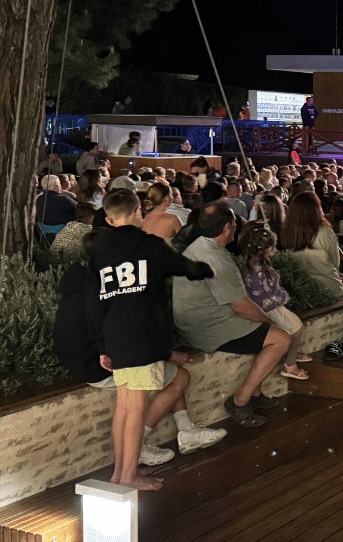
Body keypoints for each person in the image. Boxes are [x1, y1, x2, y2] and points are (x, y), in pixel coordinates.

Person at [53, 232, 226, 469]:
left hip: (80, 360)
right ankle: (137, 448)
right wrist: (168, 353)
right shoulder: (110, 285)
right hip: (101, 363)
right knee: (178, 379)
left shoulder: (81, 281)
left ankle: (185, 429)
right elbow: (128, 331)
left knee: (164, 374)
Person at [92, 189, 216, 490]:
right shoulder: (150, 245)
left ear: (109, 219)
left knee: (124, 407)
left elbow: (93, 301)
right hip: (143, 337)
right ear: (139, 212)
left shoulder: (99, 251)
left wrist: (102, 345)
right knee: (135, 409)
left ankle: (119, 474)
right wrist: (205, 270)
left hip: (116, 337)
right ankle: (128, 477)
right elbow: (183, 266)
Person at [173, 202, 291, 428]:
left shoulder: (199, 245)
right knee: (281, 339)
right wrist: (270, 322)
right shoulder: (215, 259)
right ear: (227, 227)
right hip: (207, 328)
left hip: (194, 321)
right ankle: (240, 401)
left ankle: (256, 394)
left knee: (264, 334)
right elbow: (242, 307)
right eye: (235, 223)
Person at [241, 225, 312, 381]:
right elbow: (271, 294)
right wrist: (284, 297)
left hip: (264, 307)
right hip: (271, 308)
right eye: (274, 246)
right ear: (268, 249)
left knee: (289, 330)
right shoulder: (262, 271)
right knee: (297, 329)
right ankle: (290, 365)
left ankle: (291, 353)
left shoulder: (251, 266)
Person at [279, 191, 343, 299]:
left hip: (302, 292)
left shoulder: (289, 233)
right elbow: (335, 263)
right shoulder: (325, 232)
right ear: (316, 209)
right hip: (330, 289)